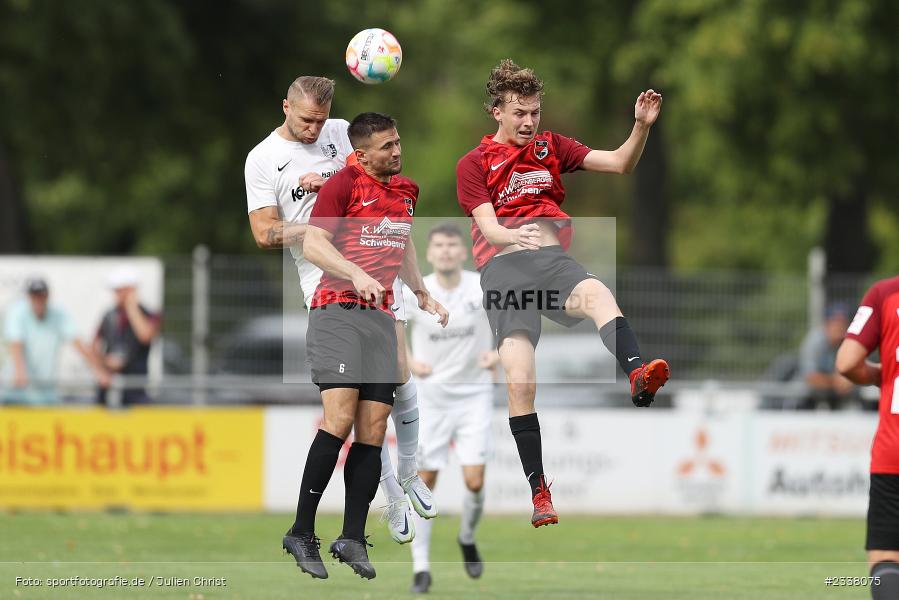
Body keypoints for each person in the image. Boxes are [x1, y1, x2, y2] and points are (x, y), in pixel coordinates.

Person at [455, 59, 669, 528]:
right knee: (521, 381)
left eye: (535, 111)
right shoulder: (474, 163)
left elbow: (619, 163)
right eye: (519, 113)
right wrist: (517, 237)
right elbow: (488, 228)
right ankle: (539, 493)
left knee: (598, 296)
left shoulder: (552, 146)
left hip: (551, 264)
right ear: (497, 111)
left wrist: (640, 127)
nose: (529, 121)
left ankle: (636, 375)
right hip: (505, 272)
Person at [244, 76, 438, 555]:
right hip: (327, 286)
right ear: (285, 105)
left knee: (392, 397)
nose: (314, 129)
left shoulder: (340, 132)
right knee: (353, 413)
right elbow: (264, 234)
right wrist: (320, 229)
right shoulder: (263, 158)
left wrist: (418, 285)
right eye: (304, 119)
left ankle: (393, 494)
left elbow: (375, 185)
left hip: (377, 273)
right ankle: (379, 500)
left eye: (320, 118)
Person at [282, 112, 448, 581]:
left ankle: (352, 536)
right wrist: (355, 272)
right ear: (361, 154)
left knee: (374, 426)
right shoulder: (342, 186)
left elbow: (403, 241)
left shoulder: (407, 191)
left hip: (380, 317)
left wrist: (419, 290)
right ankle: (301, 531)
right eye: (387, 146)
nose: (397, 151)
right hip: (337, 311)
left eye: (398, 142)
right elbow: (314, 244)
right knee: (339, 418)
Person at [401, 222, 497, 594]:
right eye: (438, 245)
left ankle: (467, 537)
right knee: (426, 483)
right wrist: (408, 359)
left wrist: (500, 352)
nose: (444, 251)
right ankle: (421, 568)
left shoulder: (481, 286)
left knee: (474, 480)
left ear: (463, 251)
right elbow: (388, 327)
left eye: (451, 245)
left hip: (474, 394)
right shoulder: (416, 290)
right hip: (431, 397)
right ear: (429, 253)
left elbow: (510, 325)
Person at [835, 276, 899, 600]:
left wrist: (882, 373)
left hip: (894, 455)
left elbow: (846, 363)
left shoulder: (886, 293)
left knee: (887, 559)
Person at [3, 277, 109, 404]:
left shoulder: (59, 314)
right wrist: (19, 370)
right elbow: (16, 342)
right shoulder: (17, 312)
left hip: (45, 393)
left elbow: (77, 342)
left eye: (42, 296)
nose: (38, 300)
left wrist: (98, 370)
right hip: (15, 393)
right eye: (34, 296)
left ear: (48, 296)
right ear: (28, 297)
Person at [94, 267, 161, 406]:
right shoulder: (109, 316)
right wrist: (104, 365)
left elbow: (145, 336)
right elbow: (94, 346)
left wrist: (131, 306)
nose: (115, 295)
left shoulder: (150, 315)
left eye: (118, 290)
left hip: (136, 389)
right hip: (108, 389)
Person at [795, 303, 859, 410]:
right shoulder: (814, 342)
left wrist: (850, 380)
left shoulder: (850, 342)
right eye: (836, 323)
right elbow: (810, 377)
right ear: (827, 324)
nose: (840, 327)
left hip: (840, 397)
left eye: (843, 323)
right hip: (807, 398)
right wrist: (836, 382)